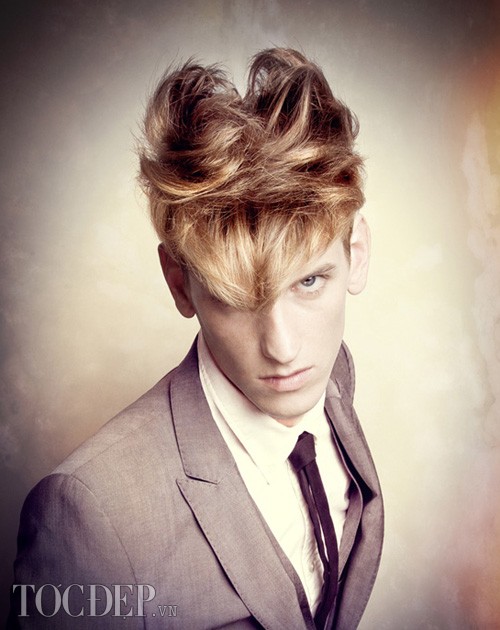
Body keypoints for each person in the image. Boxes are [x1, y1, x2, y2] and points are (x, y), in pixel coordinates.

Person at [8, 48, 383, 629]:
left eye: (309, 282)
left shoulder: (332, 379)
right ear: (179, 283)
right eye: (234, 297)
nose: (283, 349)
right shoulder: (87, 516)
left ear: (355, 254)